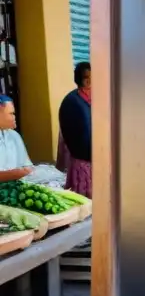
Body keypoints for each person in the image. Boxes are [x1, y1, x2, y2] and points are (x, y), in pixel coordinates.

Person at [58, 61, 92, 197]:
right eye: (86, 78)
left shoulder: (100, 96)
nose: (90, 81)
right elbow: (75, 133)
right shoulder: (72, 102)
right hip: (84, 160)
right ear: (79, 80)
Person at [0, 94, 32, 182]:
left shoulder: (14, 135)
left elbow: (27, 166)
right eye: (11, 114)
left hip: (14, 189)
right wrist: (16, 174)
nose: (14, 118)